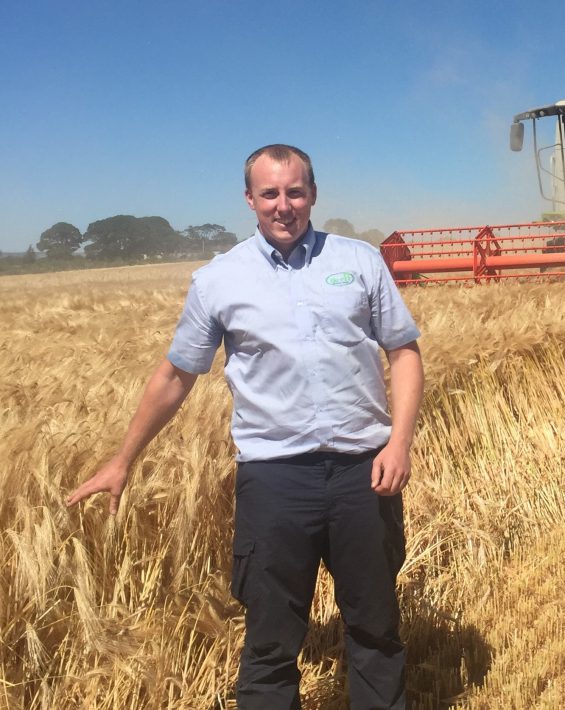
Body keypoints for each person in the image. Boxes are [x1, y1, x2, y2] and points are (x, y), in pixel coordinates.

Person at [66, 144, 424, 709]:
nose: (284, 205)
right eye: (270, 193)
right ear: (250, 199)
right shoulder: (219, 279)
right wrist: (123, 459)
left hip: (365, 473)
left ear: (313, 192)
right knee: (270, 644)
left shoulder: (358, 261)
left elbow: (403, 352)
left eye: (295, 191)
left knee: (376, 629)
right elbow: (176, 375)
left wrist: (398, 442)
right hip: (275, 481)